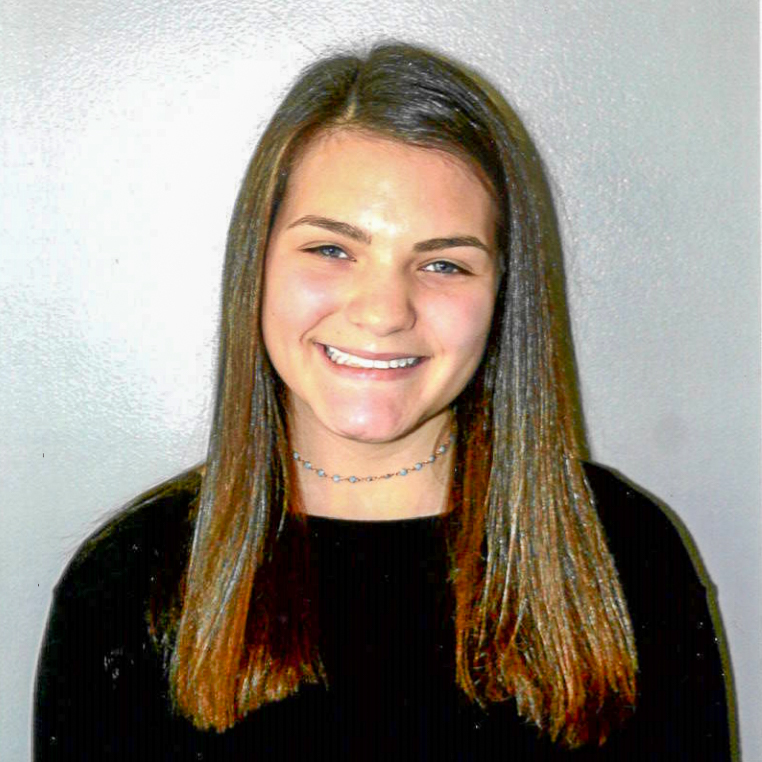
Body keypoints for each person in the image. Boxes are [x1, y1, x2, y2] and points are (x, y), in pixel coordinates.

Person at [34, 43, 732, 760]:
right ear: (258, 265)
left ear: (503, 294)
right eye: (332, 250)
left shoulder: (627, 553)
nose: (383, 311)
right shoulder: (125, 581)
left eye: (443, 264)